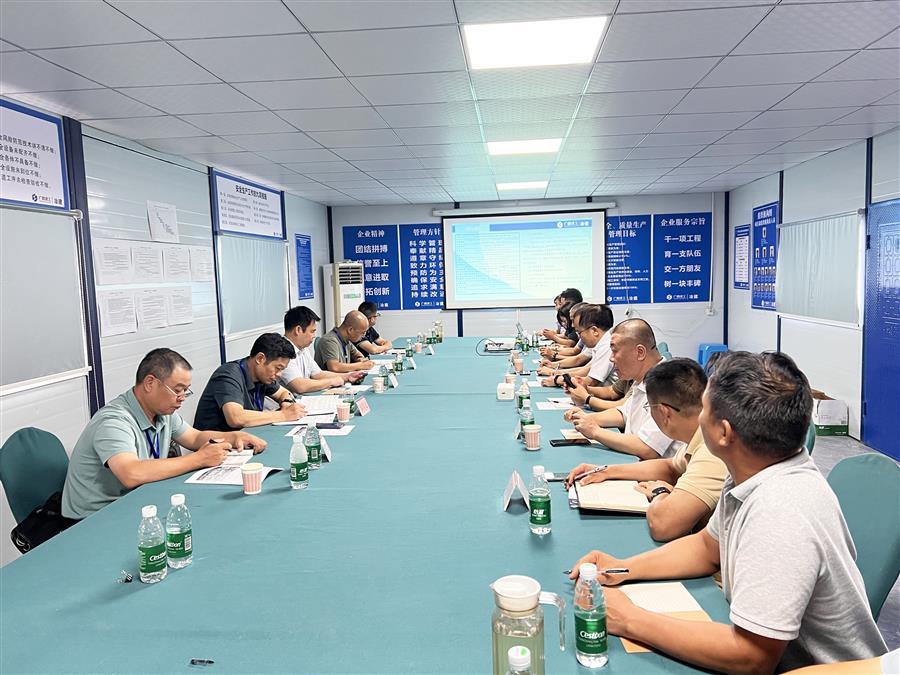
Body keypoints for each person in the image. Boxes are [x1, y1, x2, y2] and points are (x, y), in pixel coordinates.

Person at [568, 352, 887, 673]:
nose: (697, 417)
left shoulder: (780, 511)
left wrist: (629, 619)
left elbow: (752, 657)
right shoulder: (753, 470)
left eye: (704, 408)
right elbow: (707, 548)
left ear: (723, 432)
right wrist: (622, 568)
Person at [61, 348, 267, 520]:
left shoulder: (162, 412)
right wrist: (199, 459)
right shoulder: (114, 421)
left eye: (186, 391)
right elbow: (130, 473)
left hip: (137, 501)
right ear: (150, 383)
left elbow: (194, 438)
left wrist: (234, 437)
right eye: (178, 390)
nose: (182, 398)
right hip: (96, 517)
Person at [565, 359, 727, 541]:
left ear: (664, 413)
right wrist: (605, 471)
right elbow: (670, 467)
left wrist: (660, 492)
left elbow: (662, 525)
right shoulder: (702, 433)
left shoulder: (711, 451)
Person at [566, 318, 677, 459]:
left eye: (614, 351)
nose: (611, 358)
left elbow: (648, 448)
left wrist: (595, 431)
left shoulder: (669, 384)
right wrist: (586, 418)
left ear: (640, 352)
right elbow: (624, 414)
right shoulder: (643, 378)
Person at [193, 333, 307, 432]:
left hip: (244, 438)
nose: (279, 374)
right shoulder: (228, 375)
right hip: (215, 444)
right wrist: (283, 415)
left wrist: (286, 403)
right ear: (260, 359)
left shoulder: (263, 376)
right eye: (278, 368)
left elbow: (283, 393)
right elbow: (235, 418)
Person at [280, 306, 365, 394]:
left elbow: (318, 374)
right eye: (312, 331)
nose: (314, 336)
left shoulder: (303, 349)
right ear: (298, 330)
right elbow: (300, 386)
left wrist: (348, 376)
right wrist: (331, 381)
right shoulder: (283, 351)